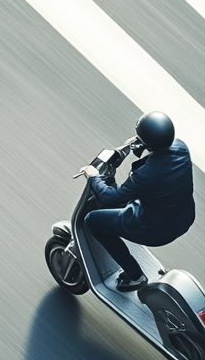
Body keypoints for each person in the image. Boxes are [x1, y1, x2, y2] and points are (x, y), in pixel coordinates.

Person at [79, 111, 195, 292]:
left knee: (93, 220)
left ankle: (134, 276)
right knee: (127, 204)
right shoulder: (181, 148)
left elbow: (109, 197)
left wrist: (93, 176)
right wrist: (137, 146)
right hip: (183, 217)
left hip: (156, 230)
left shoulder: (146, 175)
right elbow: (160, 167)